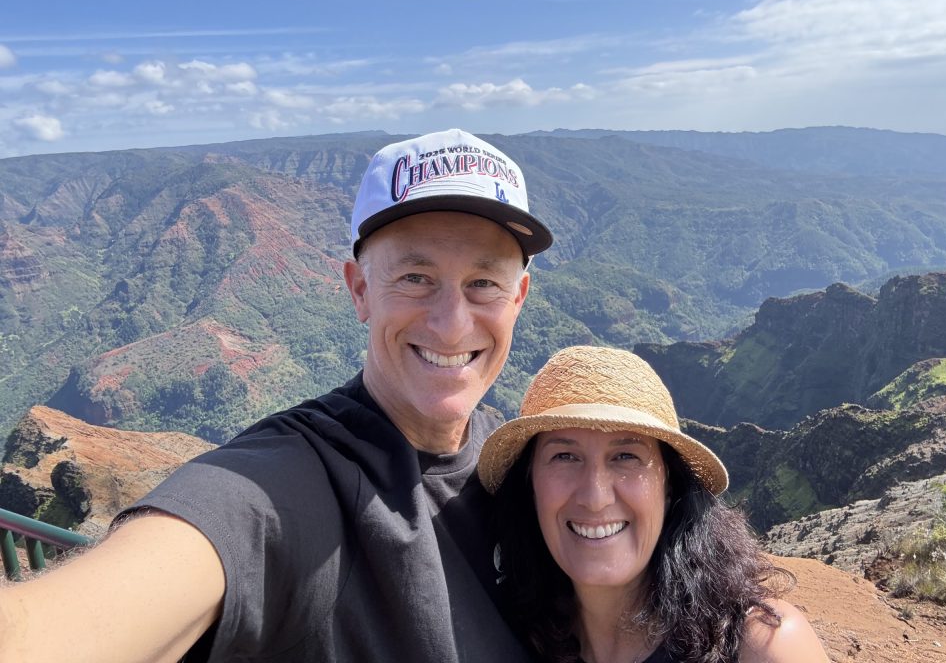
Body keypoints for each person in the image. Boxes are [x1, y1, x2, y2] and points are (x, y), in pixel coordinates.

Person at [0, 129, 552, 663]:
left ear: (520, 297)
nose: (452, 325)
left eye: (484, 283)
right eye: (415, 277)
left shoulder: (522, 468)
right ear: (359, 289)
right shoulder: (282, 486)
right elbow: (42, 639)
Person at [478, 346, 830, 663]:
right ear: (531, 484)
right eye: (565, 456)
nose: (595, 497)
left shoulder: (761, 647)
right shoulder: (509, 637)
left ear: (670, 484)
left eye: (626, 457)